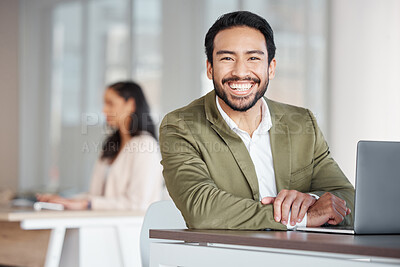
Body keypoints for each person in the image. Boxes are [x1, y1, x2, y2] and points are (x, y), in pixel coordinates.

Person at [159, 11, 354, 230]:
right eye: (227, 58)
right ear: (209, 68)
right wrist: (302, 217)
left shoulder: (302, 123)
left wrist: (311, 200)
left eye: (253, 58)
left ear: (270, 68)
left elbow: (349, 199)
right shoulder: (180, 126)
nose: (240, 72)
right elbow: (202, 210)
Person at [37, 81, 163, 211]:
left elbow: (138, 203)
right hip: (102, 223)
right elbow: (96, 197)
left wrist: (86, 204)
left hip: (129, 228)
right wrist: (64, 200)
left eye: (110, 103)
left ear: (130, 104)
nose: (104, 110)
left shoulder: (145, 145)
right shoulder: (112, 145)